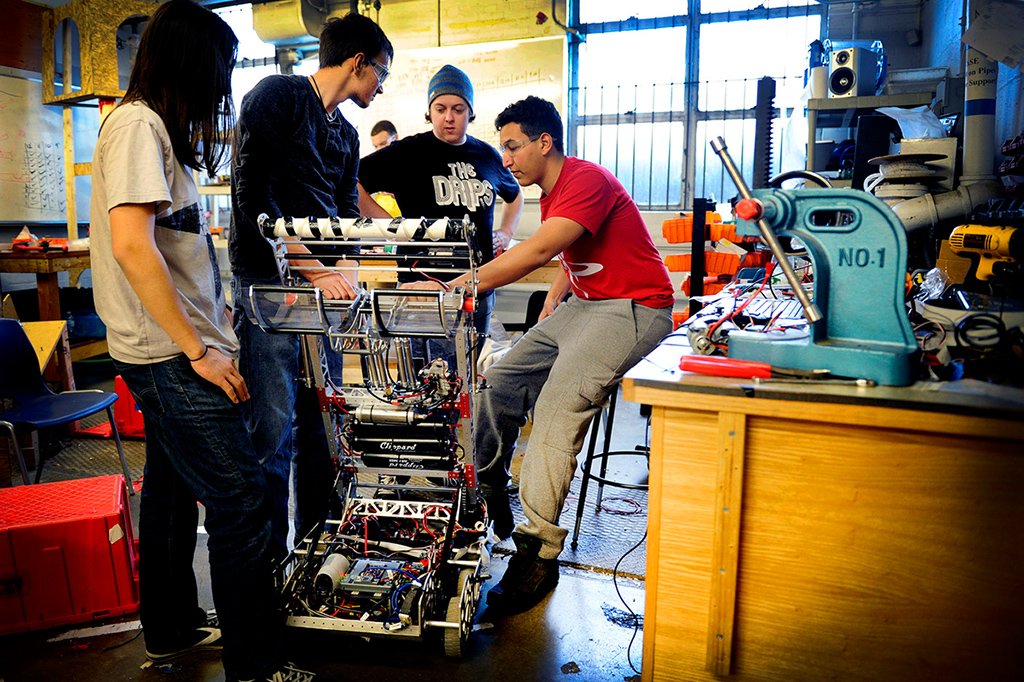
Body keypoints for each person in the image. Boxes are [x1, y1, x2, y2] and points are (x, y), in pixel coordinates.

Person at [89, 2, 299, 680]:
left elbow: (170, 248)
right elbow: (131, 246)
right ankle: (256, 668)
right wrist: (200, 349)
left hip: (174, 347)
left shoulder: (155, 131)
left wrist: (216, 328)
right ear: (192, 61)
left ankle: (172, 628)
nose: (223, 85)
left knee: (174, 491)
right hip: (169, 355)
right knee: (241, 503)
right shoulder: (136, 125)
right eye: (222, 68)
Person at [405, 96, 674, 613]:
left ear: (544, 142)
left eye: (512, 146)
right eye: (502, 147)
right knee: (499, 384)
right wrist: (561, 288)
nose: (504, 159)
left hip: (635, 308)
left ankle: (537, 553)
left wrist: (455, 288)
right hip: (588, 304)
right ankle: (487, 492)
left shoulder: (586, 179)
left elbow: (534, 251)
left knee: (555, 409)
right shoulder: (552, 191)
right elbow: (575, 255)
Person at [230, 13, 393, 560]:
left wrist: (343, 274)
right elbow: (255, 202)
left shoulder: (345, 135)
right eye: (380, 75)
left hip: (322, 295)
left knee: (322, 425)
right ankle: (268, 567)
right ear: (357, 63)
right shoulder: (276, 97)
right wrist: (316, 271)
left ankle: (318, 550)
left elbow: (347, 218)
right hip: (270, 288)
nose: (379, 87)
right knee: (272, 431)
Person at [357, 64, 523, 358]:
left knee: (465, 382)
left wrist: (506, 230)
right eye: (440, 108)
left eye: (458, 109)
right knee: (426, 384)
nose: (449, 117)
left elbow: (515, 194)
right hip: (420, 289)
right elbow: (351, 180)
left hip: (476, 288)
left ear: (470, 112)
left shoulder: (487, 155)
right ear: (430, 111)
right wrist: (389, 225)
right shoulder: (407, 153)